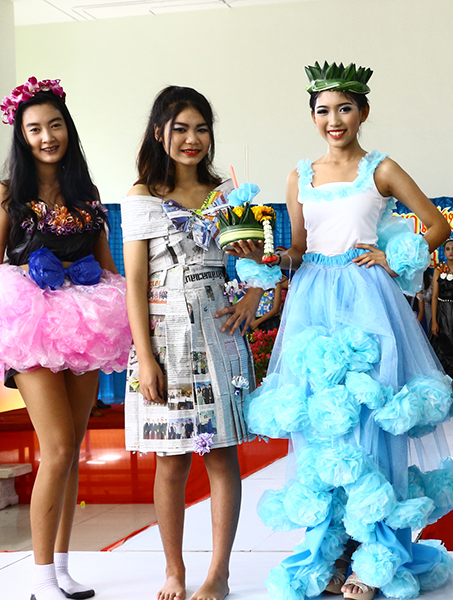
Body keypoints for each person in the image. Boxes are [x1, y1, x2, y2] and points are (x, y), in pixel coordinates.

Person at [232, 62, 453, 600]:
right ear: (312, 116)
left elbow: (437, 224)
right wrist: (268, 259)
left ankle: (377, 555)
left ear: (363, 112)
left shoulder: (381, 168)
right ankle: (332, 553)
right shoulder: (300, 175)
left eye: (344, 109)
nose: (333, 120)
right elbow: (297, 248)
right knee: (323, 424)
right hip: (313, 301)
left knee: (371, 418)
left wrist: (391, 255)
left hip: (368, 300)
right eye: (323, 111)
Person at [0, 77, 132, 600]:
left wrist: (137, 315)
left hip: (84, 322)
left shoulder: (87, 194)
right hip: (30, 324)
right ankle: (41, 579)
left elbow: (108, 269)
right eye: (35, 129)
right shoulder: (8, 193)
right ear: (22, 136)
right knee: (59, 446)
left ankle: (61, 568)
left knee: (72, 449)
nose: (47, 137)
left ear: (69, 129)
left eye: (55, 125)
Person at [121, 86, 265, 600]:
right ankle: (174, 571)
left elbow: (258, 261)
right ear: (159, 132)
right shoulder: (142, 195)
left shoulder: (227, 195)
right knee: (171, 460)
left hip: (219, 333)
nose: (192, 139)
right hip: (163, 337)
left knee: (222, 456)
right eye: (180, 128)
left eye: (201, 129)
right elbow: (135, 283)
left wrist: (252, 297)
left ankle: (218, 573)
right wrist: (146, 358)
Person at [430, 239, 453, 376]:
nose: (451, 251)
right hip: (442, 312)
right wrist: (434, 321)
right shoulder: (439, 269)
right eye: (448, 249)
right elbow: (434, 296)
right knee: (443, 347)